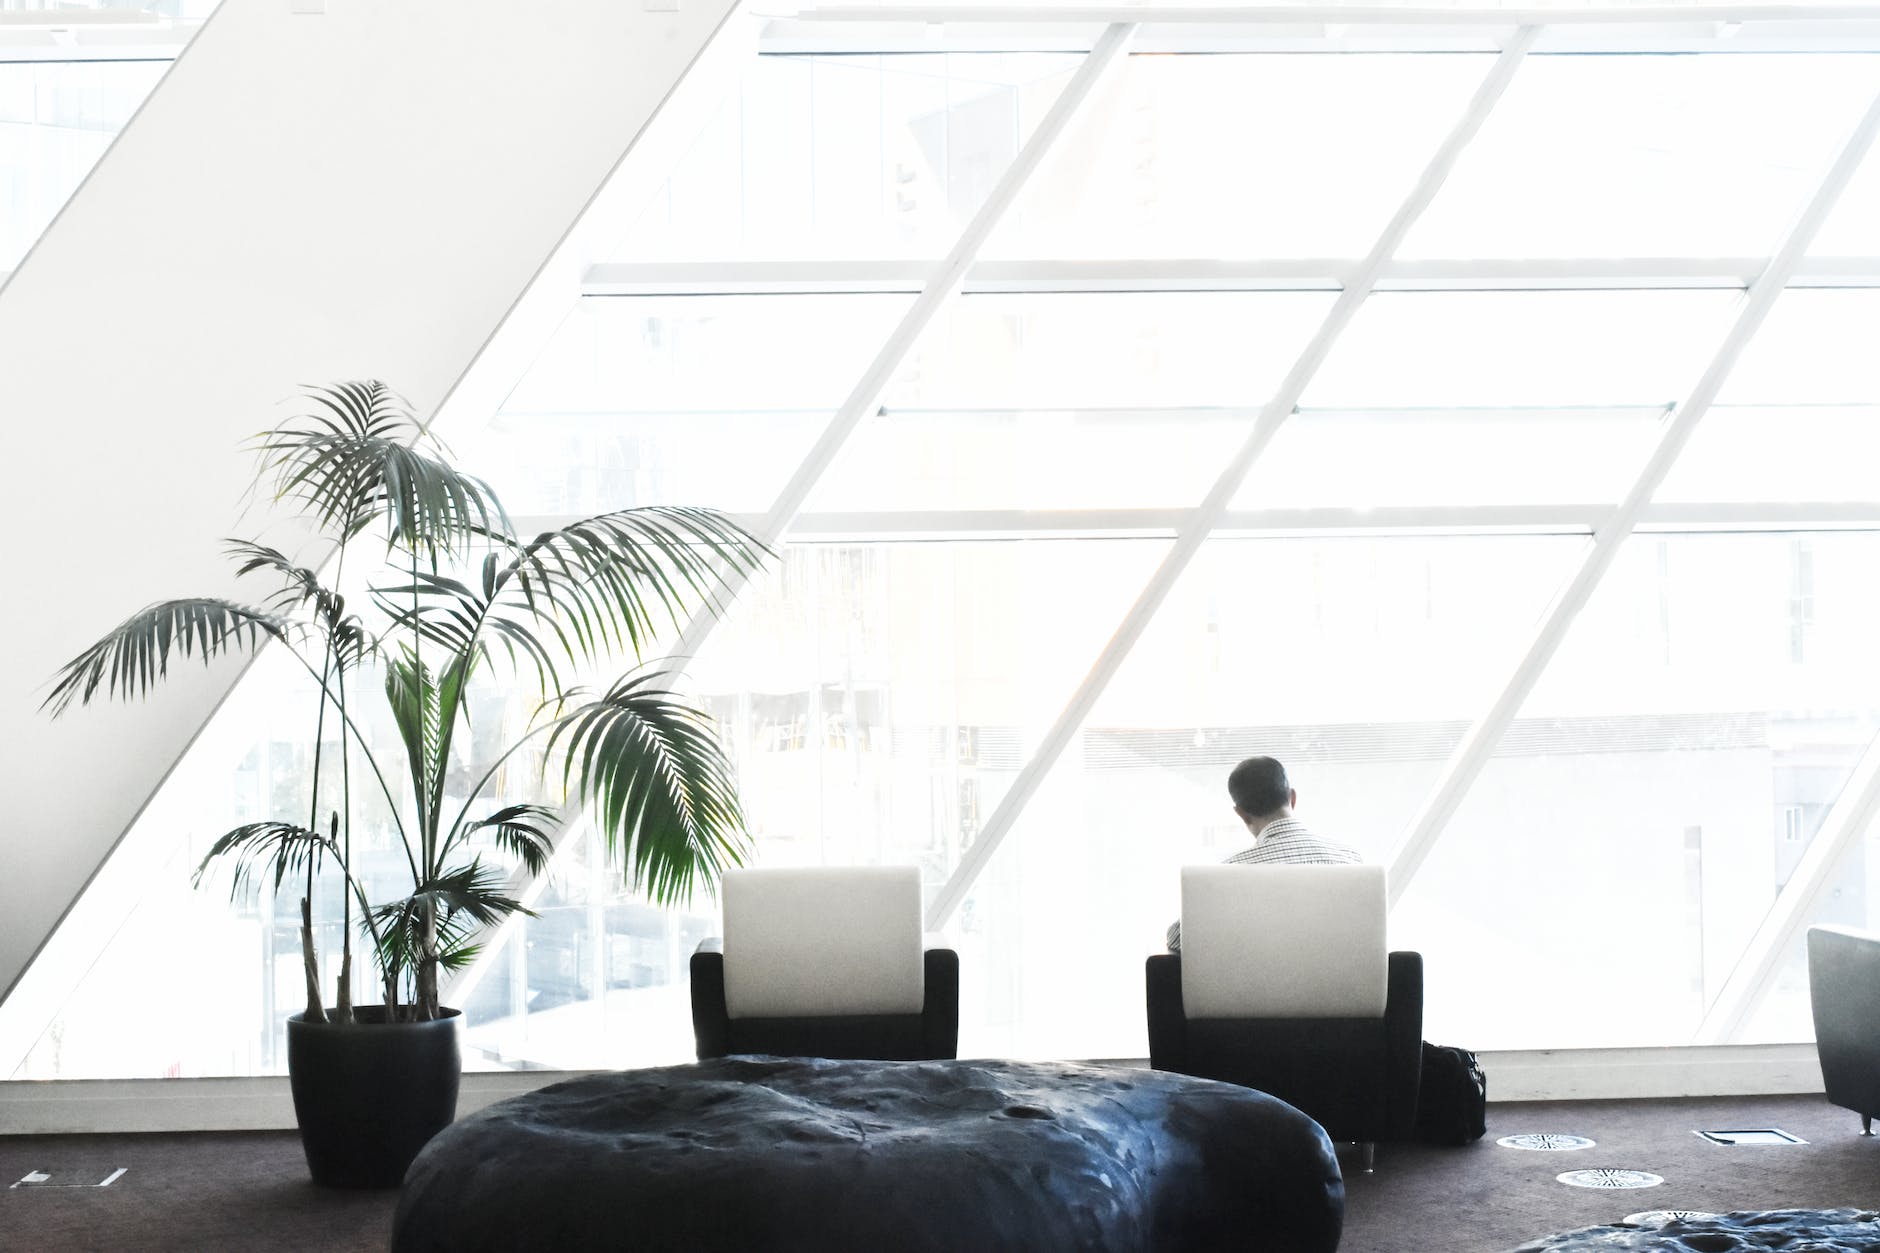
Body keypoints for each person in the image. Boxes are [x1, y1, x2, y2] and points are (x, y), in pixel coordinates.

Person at [1165, 755, 1360, 952]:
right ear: (1292, 798)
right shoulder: (1350, 860)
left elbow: (1176, 939)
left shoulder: (1226, 877)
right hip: (1342, 983)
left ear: (1241, 814)